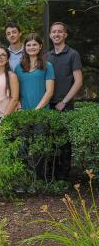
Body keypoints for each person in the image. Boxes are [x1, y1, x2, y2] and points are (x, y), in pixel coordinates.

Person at [47, 21, 83, 180]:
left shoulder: (73, 54)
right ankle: (52, 175)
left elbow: (79, 81)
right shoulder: (46, 56)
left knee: (64, 143)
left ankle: (64, 178)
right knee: (50, 141)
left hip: (64, 105)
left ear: (65, 34)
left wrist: (65, 101)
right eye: (53, 32)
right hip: (49, 105)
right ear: (50, 35)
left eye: (60, 32)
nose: (56, 34)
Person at [14, 33, 55, 110]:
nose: (31, 47)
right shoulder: (18, 68)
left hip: (42, 112)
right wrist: (19, 108)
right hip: (23, 112)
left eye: (34, 45)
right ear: (25, 47)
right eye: (28, 45)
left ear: (40, 46)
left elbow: (49, 92)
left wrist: (36, 110)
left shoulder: (47, 66)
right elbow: (15, 92)